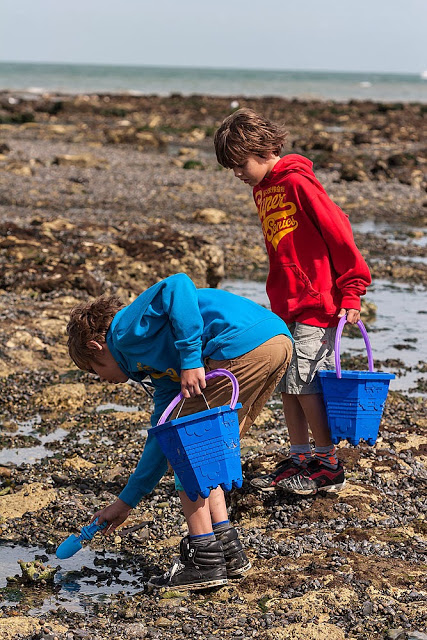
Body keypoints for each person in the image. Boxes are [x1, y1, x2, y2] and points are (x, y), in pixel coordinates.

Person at [66, 272, 293, 590]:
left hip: (238, 345)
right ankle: (227, 550)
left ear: (96, 346)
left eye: (96, 370)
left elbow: (178, 284)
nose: (102, 378)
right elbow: (161, 435)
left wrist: (189, 360)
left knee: (189, 451)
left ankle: (204, 560)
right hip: (275, 342)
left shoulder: (123, 330)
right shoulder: (157, 370)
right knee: (203, 451)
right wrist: (126, 502)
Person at [214, 108, 371, 496]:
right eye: (231, 167)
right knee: (287, 382)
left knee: (304, 381)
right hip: (285, 303)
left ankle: (328, 463)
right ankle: (300, 456)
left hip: (318, 302)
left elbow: (339, 230)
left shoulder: (299, 183)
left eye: (240, 164)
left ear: (264, 149)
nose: (237, 173)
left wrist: (352, 289)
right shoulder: (262, 189)